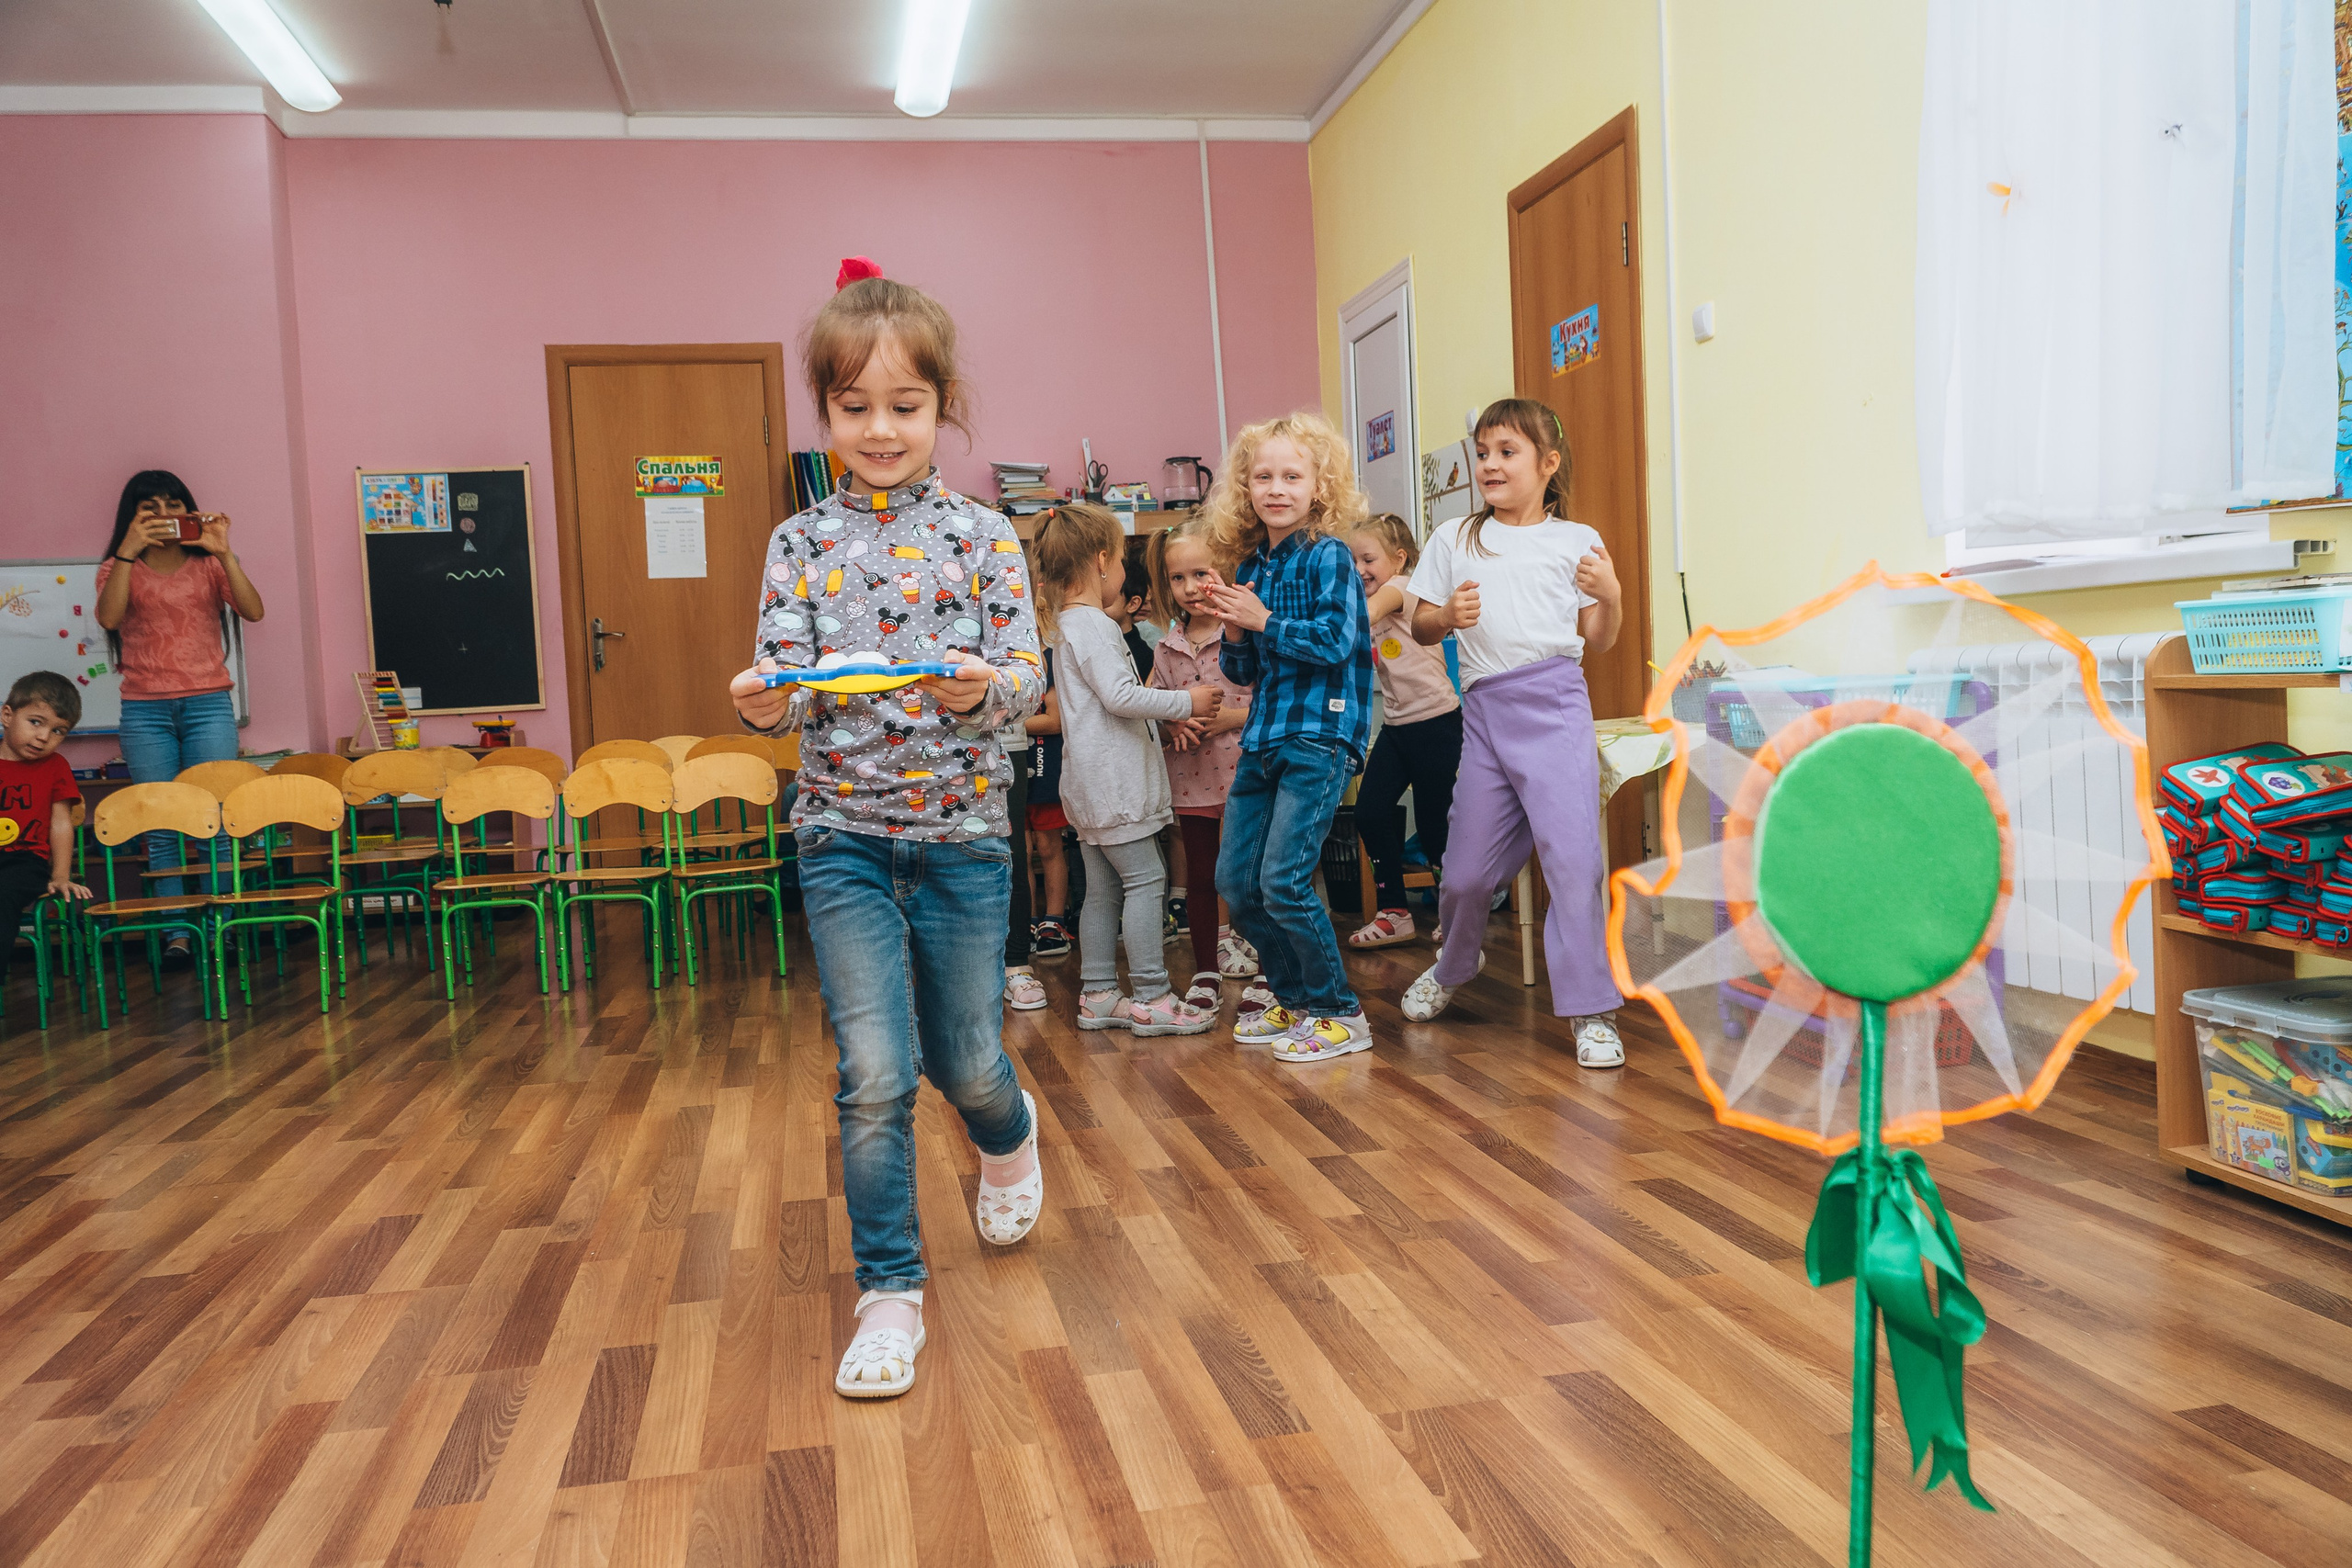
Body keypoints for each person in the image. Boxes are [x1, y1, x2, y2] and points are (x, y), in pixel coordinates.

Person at [729, 260, 1046, 1400]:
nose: (878, 429)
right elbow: (785, 683)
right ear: (824, 410)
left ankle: (1008, 1137)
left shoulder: (983, 535)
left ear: (942, 405)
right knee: (874, 1071)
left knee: (965, 1062)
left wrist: (983, 691)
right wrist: (765, 704)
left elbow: (1025, 676)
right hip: (840, 837)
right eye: (853, 405)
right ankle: (890, 1295)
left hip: (963, 837)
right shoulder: (798, 541)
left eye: (903, 405)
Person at [1400, 398, 1626, 1067]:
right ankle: (1453, 964)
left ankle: (1591, 1010)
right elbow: (1419, 626)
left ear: (1548, 463)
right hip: (1485, 715)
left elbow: (1599, 638)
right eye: (1483, 452)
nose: (1489, 464)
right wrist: (1447, 615)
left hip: (1555, 707)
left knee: (1574, 864)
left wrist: (1611, 593)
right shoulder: (1454, 537)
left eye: (1507, 452)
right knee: (1464, 875)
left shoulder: (1576, 539)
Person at [1199, 412, 1376, 1065]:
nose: (1277, 488)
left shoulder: (1329, 555)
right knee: (1237, 882)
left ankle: (1339, 1012)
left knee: (1284, 880)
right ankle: (1296, 997)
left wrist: (1263, 619)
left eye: (1293, 476)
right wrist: (1237, 629)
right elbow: (1241, 673)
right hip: (1265, 736)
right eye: (1263, 477)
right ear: (1245, 488)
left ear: (1319, 486)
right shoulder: (1253, 565)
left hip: (1321, 734)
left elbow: (1334, 642)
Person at [1033, 502, 1220, 1036]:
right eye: (1119, 561)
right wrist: (1185, 702)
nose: (1121, 572)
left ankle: (1097, 994)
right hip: (1113, 786)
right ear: (1100, 562)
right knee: (1147, 879)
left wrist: (1165, 715)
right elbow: (1119, 697)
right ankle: (1152, 994)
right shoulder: (1093, 624)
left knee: (1102, 891)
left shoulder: (1069, 625)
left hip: (1090, 785)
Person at [94, 470, 266, 941]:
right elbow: (109, 617)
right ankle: (178, 934)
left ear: (189, 509)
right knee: (161, 823)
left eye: (173, 504)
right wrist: (127, 551)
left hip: (208, 705)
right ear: (132, 515)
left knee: (215, 819)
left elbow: (253, 611)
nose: (163, 514)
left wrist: (224, 552)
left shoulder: (209, 564)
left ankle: (224, 929)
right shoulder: (116, 566)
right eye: (149, 506)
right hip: (144, 711)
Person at [1146, 513, 1261, 1010]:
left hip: (1246, 779)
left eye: (1201, 574)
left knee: (1250, 878)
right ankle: (1206, 972)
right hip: (1191, 780)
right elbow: (1151, 706)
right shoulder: (1166, 646)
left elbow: (1272, 702)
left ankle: (1269, 973)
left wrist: (1227, 719)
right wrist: (1172, 724)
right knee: (1200, 876)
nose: (1191, 588)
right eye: (1179, 578)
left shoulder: (1246, 631)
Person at [1346, 512, 1463, 950]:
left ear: (1399, 558)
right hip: (1396, 728)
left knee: (1435, 827)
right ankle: (1393, 911)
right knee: (1369, 812)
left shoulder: (1403, 587)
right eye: (1352, 561)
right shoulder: (1374, 597)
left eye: (1368, 559)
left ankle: (1454, 914)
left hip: (1437, 723)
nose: (1360, 569)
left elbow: (1368, 613)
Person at [0, 672, 94, 990]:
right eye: (35, 722)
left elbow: (61, 823)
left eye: (57, 731)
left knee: (2, 896)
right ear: (7, 715)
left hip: (26, 862)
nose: (43, 737)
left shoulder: (55, 767)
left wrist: (61, 875)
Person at [1023, 663, 1073, 955]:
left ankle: (1053, 921)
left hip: (1045, 764)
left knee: (1048, 846)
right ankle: (1026, 921)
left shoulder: (1050, 660)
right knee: (1020, 851)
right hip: (1007, 766)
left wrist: (998, 723)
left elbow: (1055, 721)